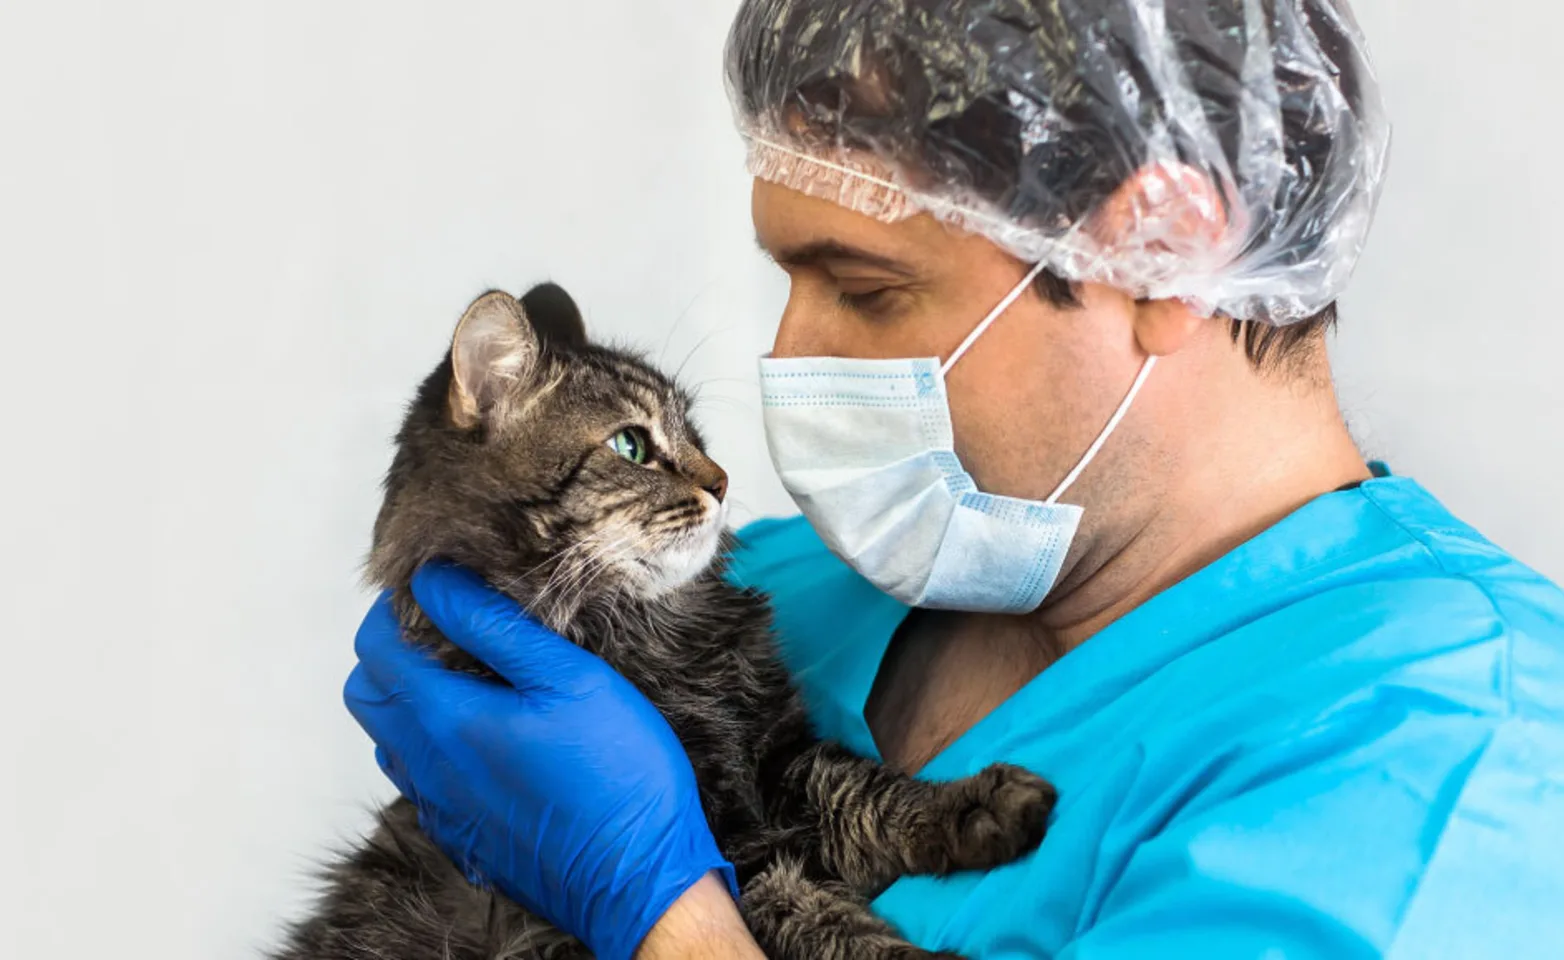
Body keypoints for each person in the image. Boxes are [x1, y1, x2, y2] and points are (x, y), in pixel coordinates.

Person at [344, 1, 1564, 957]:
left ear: (1162, 259)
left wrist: (667, 916)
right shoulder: (782, 589)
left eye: (867, 290)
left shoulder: (1444, 760)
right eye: (787, 279)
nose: (788, 356)